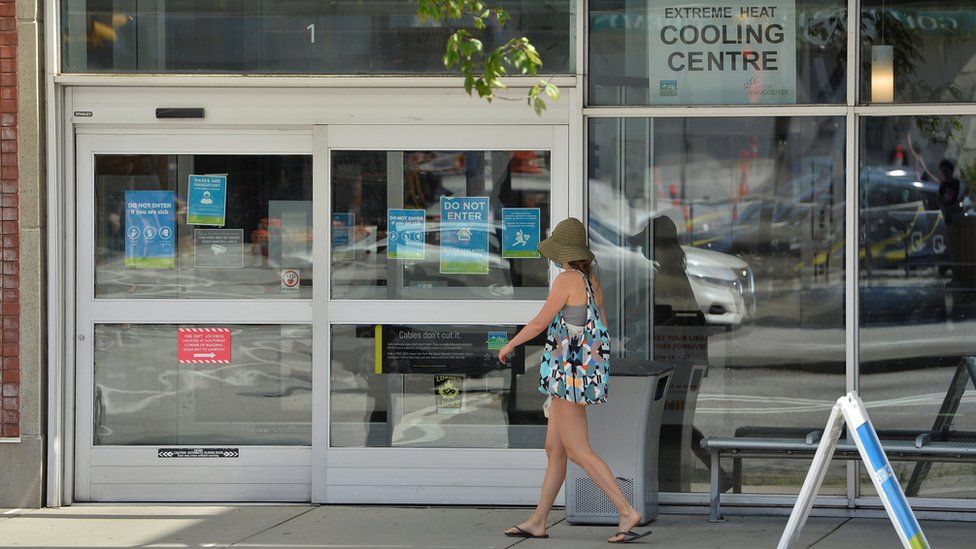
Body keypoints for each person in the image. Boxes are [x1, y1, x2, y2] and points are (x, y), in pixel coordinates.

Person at [498, 217, 650, 544]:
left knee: (579, 450)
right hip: (579, 375)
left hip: (566, 377)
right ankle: (539, 521)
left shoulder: (566, 280)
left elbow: (541, 322)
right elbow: (602, 328)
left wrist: (510, 344)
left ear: (562, 252)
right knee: (556, 450)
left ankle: (626, 511)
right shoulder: (591, 280)